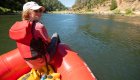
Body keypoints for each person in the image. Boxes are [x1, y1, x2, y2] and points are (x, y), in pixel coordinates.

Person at [9, 1, 60, 80]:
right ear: (28, 13)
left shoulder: (18, 27)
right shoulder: (39, 26)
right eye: (36, 11)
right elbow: (49, 41)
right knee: (55, 36)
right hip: (41, 61)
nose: (39, 13)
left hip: (29, 63)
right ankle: (59, 55)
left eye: (40, 10)